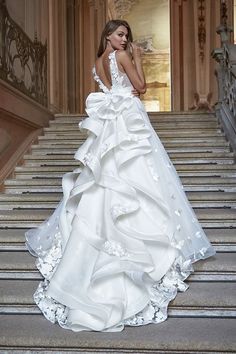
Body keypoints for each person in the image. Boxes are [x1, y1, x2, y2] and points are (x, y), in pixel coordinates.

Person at [25, 20, 216, 332]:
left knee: (106, 177)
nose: (124, 40)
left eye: (126, 36)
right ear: (108, 36)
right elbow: (140, 88)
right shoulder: (123, 56)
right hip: (127, 120)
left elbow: (109, 90)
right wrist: (138, 58)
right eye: (120, 34)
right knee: (137, 177)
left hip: (113, 123)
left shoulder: (96, 63)